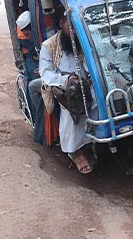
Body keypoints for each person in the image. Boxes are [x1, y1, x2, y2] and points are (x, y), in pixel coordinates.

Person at [39, 13, 93, 174]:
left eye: (78, 27)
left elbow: (92, 62)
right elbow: (46, 73)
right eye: (72, 27)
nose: (75, 31)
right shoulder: (49, 46)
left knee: (99, 101)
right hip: (63, 86)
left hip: (88, 83)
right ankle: (75, 151)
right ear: (62, 23)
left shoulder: (84, 39)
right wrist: (66, 80)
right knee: (72, 108)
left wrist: (92, 77)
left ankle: (95, 141)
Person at [16, 11, 39, 81]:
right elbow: (33, 50)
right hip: (30, 56)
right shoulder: (23, 37)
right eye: (26, 35)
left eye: (28, 34)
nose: (28, 37)